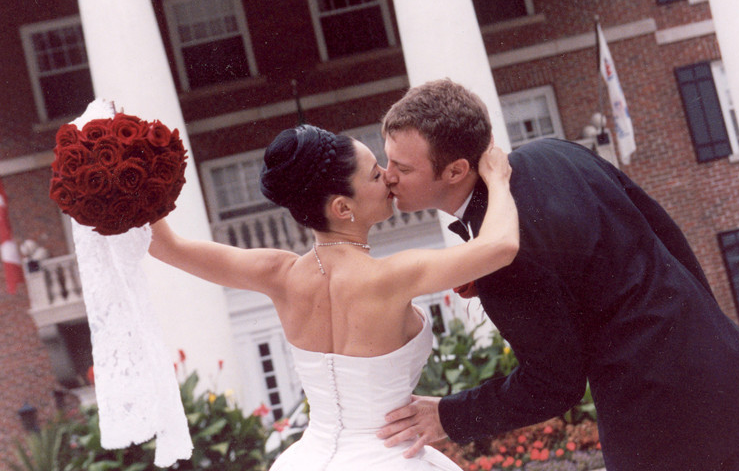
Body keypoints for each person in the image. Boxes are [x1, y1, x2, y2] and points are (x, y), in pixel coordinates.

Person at [376, 79, 739, 471]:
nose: (388, 176)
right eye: (386, 159)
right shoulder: (559, 153)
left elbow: (554, 386)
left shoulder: (499, 254)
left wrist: (449, 415)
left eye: (403, 167)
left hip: (675, 440)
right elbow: (667, 237)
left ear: (455, 171)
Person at [148, 124, 519, 470]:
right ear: (343, 208)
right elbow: (501, 245)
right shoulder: (392, 276)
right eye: (375, 174)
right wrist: (498, 179)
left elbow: (165, 246)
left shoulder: (278, 274)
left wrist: (132, 175)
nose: (389, 177)